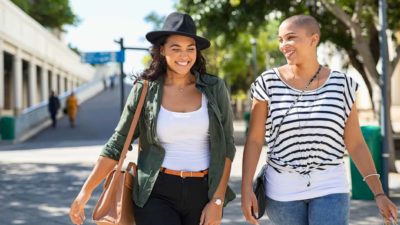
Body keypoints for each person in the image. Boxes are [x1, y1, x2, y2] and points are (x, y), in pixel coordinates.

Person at [69, 12, 236, 225]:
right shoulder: (145, 90)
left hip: (203, 191)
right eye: (176, 48)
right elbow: (117, 144)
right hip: (155, 191)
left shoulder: (214, 88)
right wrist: (86, 191)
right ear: (162, 49)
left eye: (190, 48)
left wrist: (218, 200)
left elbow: (227, 147)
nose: (184, 55)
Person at [241, 15, 398, 225]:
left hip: (330, 186)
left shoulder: (343, 85)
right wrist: (245, 189)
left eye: (290, 38)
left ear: (313, 39)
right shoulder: (267, 82)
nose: (283, 45)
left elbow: (356, 143)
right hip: (282, 191)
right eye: (280, 39)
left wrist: (379, 193)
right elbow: (254, 140)